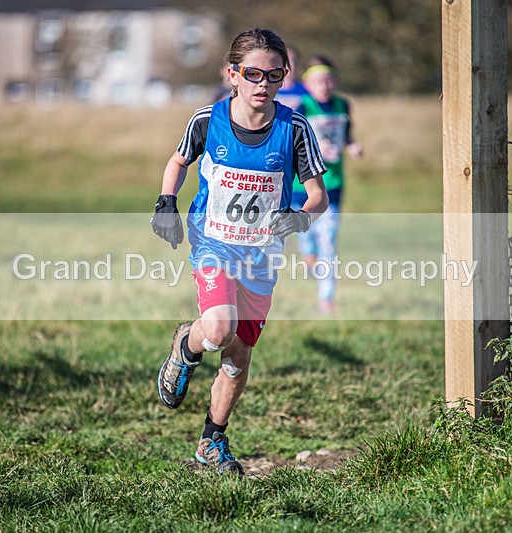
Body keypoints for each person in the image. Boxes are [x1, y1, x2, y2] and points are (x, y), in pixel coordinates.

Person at [151, 28, 328, 475]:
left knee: (238, 356)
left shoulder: (295, 129)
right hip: (213, 240)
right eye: (252, 74)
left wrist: (301, 218)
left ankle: (212, 440)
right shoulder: (207, 120)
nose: (263, 84)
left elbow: (318, 196)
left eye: (274, 75)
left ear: (285, 77)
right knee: (218, 329)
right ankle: (186, 346)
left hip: (262, 254)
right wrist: (166, 203)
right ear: (233, 75)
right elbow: (178, 161)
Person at [291, 55, 363, 314]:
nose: (325, 85)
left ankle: (326, 299)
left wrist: (352, 146)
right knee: (305, 234)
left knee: (329, 239)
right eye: (319, 80)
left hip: (332, 183)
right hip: (302, 186)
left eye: (329, 79)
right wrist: (315, 148)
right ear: (307, 84)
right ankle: (307, 253)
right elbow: (293, 141)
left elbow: (347, 134)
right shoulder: (303, 107)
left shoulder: (343, 105)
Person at [274, 46, 308, 110]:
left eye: (293, 61)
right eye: (286, 61)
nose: (289, 65)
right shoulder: (269, 89)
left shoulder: (306, 90)